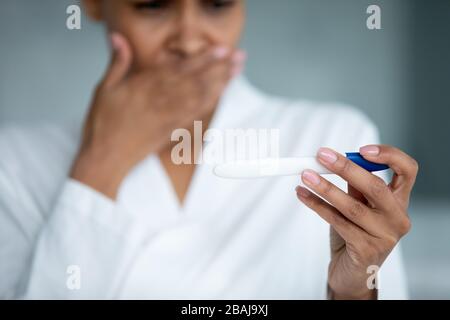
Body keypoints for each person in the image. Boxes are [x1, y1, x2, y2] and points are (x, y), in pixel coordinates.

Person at [0, 0, 418, 299]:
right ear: (91, 4)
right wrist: (98, 165)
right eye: (152, 6)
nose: (189, 40)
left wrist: (352, 293)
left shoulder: (332, 134)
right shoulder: (15, 161)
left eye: (216, 5)